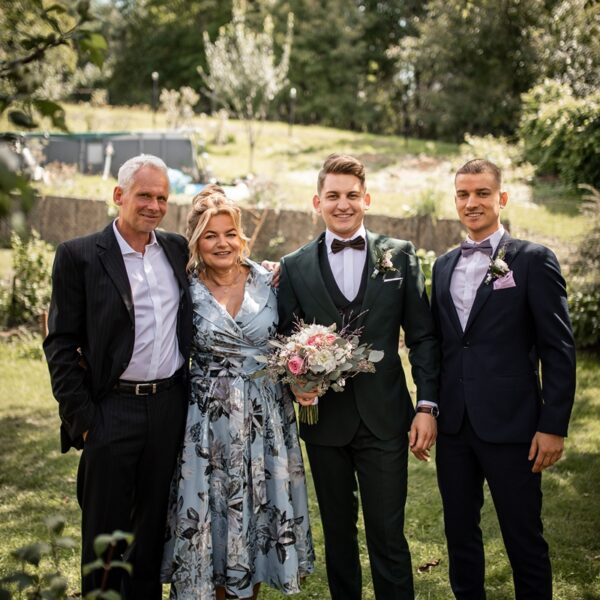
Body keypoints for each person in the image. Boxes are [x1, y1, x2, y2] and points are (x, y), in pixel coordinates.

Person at [277, 153, 440, 600]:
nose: (343, 204)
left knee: (388, 535)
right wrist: (299, 382)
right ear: (318, 202)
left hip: (385, 417)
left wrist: (427, 405)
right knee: (338, 536)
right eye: (333, 195)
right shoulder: (294, 266)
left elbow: (423, 338)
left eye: (352, 195)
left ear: (366, 199)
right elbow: (284, 340)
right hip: (324, 422)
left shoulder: (400, 256)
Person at [43, 154, 192, 599]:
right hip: (110, 411)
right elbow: (60, 342)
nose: (154, 206)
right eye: (144, 195)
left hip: (168, 408)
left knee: (150, 536)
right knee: (105, 539)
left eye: (162, 198)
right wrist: (84, 420)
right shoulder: (79, 255)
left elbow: (227, 264)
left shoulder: (177, 249)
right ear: (119, 195)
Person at [431, 158, 576, 599]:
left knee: (523, 537)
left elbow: (558, 348)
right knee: (460, 536)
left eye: (482, 193)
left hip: (514, 426)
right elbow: (444, 346)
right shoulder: (442, 265)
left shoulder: (533, 260)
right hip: (454, 426)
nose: (471, 202)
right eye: (463, 194)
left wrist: (553, 425)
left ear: (502, 198)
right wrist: (430, 409)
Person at [161, 185, 314, 600]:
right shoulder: (184, 289)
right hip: (206, 423)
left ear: (241, 236)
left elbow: (293, 336)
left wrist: (307, 374)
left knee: (259, 514)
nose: (222, 243)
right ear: (196, 241)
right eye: (210, 235)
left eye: (230, 233)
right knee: (210, 514)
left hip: (265, 419)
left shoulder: (270, 280)